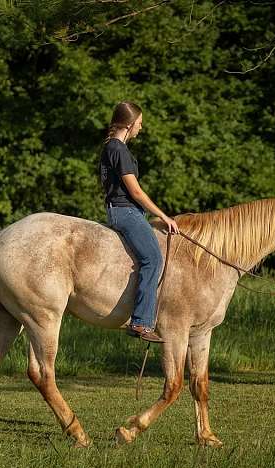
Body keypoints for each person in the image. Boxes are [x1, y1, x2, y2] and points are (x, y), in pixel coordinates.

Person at [100, 101, 179, 343]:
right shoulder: (119, 150)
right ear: (129, 124)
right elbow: (135, 192)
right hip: (126, 212)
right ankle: (141, 322)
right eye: (140, 124)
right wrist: (164, 216)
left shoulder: (112, 147)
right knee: (153, 258)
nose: (141, 128)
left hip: (123, 210)